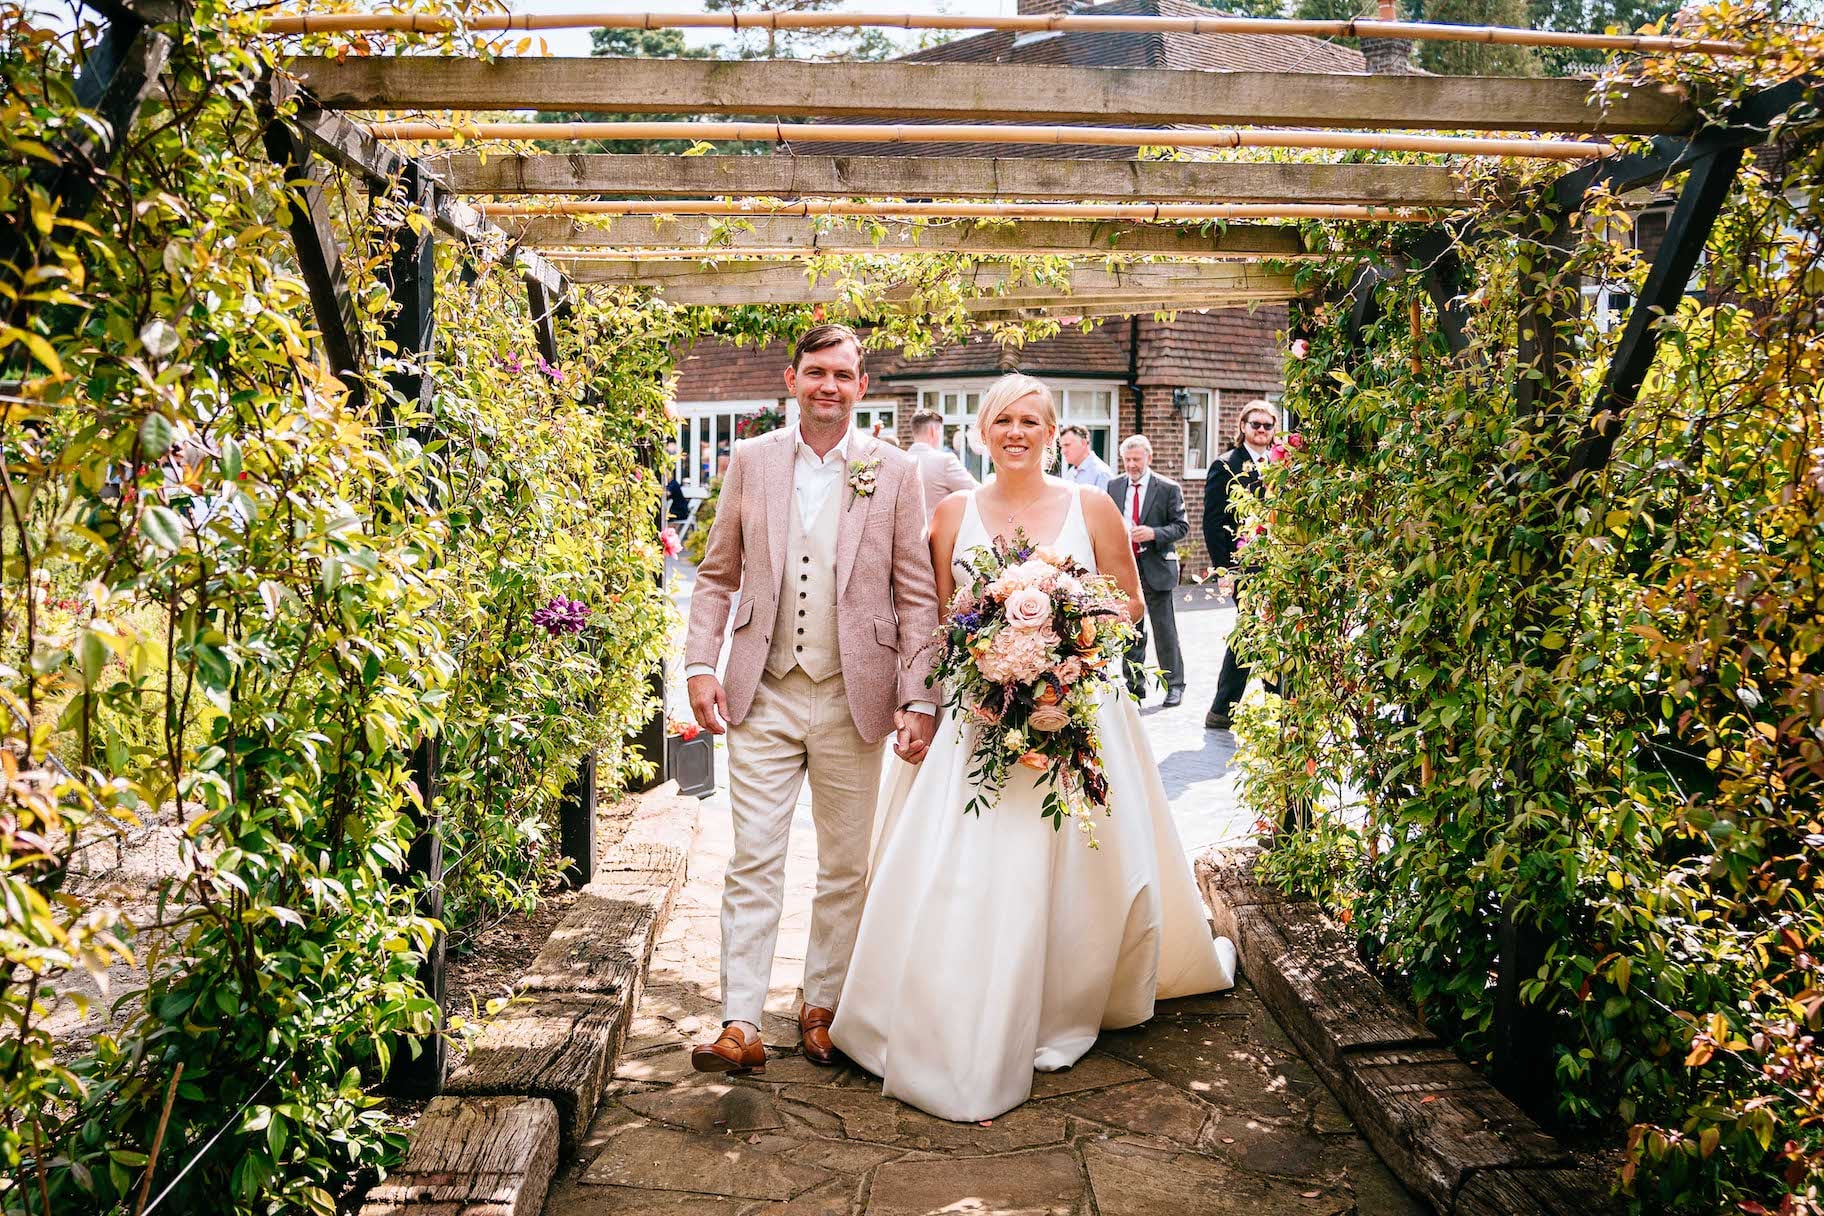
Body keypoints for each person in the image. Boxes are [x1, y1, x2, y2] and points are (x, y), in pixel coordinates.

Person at [831, 373, 1235, 1123]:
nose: (1015, 432)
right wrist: (976, 664)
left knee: (1079, 863)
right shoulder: (951, 513)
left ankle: (1063, 992)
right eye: (1002, 421)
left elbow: (1128, 604)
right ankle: (954, 995)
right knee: (964, 860)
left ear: (1053, 433)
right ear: (981, 432)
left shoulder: (1091, 506)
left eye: (1030, 421)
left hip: (1076, 707)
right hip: (976, 717)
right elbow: (935, 618)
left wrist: (1062, 637)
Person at [683, 323, 940, 1076]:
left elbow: (916, 595)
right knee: (754, 858)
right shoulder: (751, 460)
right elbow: (717, 574)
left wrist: (919, 696)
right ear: (791, 379)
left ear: (862, 386)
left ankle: (822, 1004)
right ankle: (739, 1021)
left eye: (843, 375)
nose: (829, 386)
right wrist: (699, 664)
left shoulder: (894, 470)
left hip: (854, 697)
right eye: (817, 372)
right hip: (761, 690)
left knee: (844, 866)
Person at [1204, 399, 1276, 731]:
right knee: (1254, 628)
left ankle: (1227, 709)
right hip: (1244, 564)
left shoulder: (1280, 464)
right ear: (1243, 427)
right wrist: (1225, 570)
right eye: (1255, 424)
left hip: (1279, 563)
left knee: (1264, 630)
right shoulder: (1226, 465)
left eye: (1267, 425)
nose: (1261, 430)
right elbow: (1213, 522)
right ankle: (1231, 707)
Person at [1105, 435, 1188, 707]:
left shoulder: (1168, 488)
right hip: (1126, 568)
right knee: (1131, 629)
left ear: (1148, 458)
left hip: (1157, 566)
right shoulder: (1114, 486)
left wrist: (1154, 533)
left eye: (1136, 460)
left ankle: (1174, 685)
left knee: (1165, 630)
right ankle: (1134, 686)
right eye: (1127, 460)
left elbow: (1181, 526)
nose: (1131, 465)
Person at [905, 408, 977, 522]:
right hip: (938, 531)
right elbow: (976, 492)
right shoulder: (945, 461)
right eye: (939, 432)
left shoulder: (900, 462)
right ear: (933, 431)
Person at [1058, 424, 1114, 490]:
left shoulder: (1101, 473)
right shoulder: (1070, 473)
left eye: (1067, 445)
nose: (1062, 451)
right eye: (1062, 447)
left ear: (1083, 443)